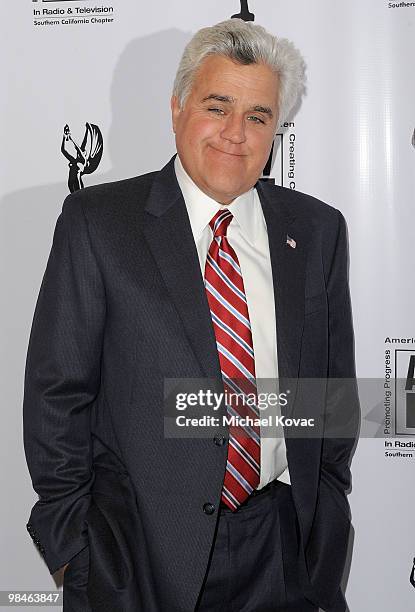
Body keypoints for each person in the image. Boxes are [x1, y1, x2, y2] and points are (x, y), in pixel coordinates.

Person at [23, 18, 359, 612]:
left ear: (276, 130)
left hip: (280, 550)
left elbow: (330, 399)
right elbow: (57, 395)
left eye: (258, 116)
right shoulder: (99, 224)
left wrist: (322, 515)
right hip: (135, 554)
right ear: (177, 108)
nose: (236, 133)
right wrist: (75, 549)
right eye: (217, 106)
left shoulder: (317, 230)